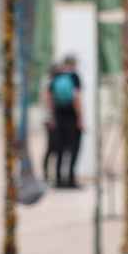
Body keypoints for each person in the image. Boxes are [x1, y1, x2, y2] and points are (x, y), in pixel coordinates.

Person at [44, 55, 84, 189]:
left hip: (58, 116)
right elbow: (76, 98)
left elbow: (48, 98)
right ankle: (71, 179)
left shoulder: (55, 76)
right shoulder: (74, 77)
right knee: (73, 149)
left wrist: (52, 117)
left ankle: (58, 180)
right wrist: (80, 119)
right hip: (71, 116)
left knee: (60, 149)